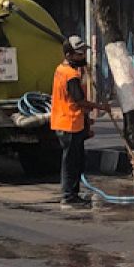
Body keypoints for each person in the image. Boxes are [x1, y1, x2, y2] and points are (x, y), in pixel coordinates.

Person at [50, 35, 107, 207]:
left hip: (69, 122)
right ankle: (68, 196)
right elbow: (79, 101)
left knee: (75, 161)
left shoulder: (61, 69)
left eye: (83, 53)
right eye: (79, 54)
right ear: (69, 55)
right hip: (69, 123)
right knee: (71, 163)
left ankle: (72, 193)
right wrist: (100, 106)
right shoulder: (70, 75)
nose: (83, 56)